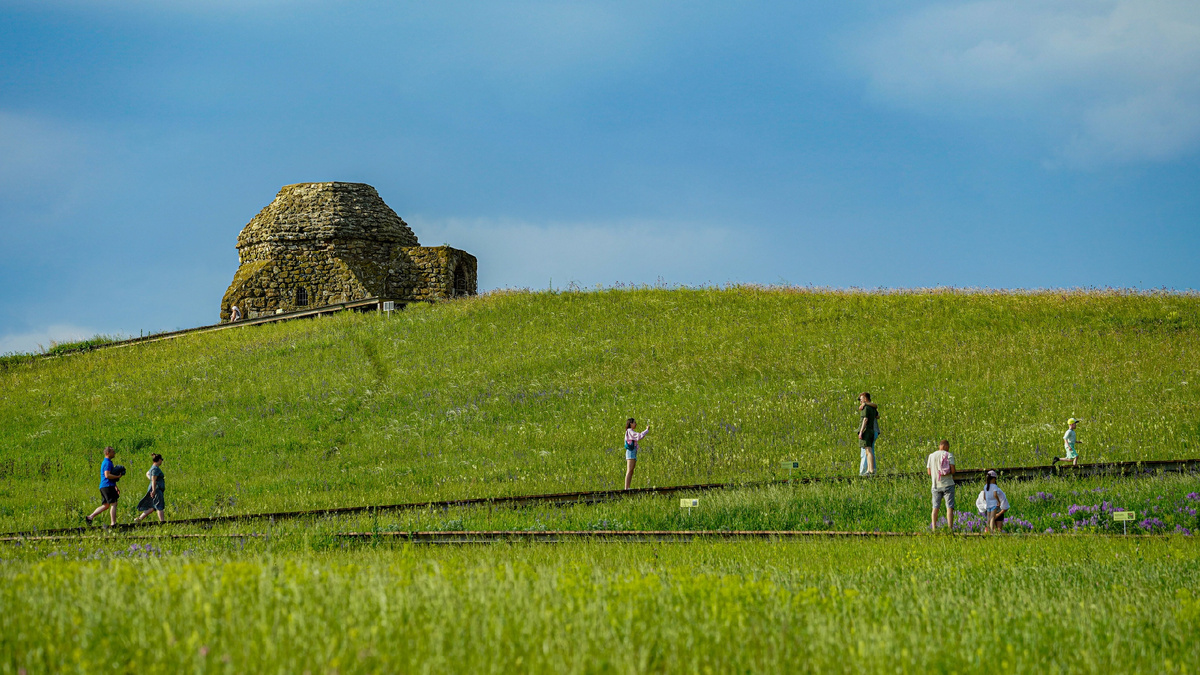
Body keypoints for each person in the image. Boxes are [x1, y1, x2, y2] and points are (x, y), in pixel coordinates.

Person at [86, 446, 123, 527]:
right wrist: (117, 477)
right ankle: (113, 523)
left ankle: (90, 517)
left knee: (106, 505)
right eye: (112, 452)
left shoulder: (107, 462)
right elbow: (107, 475)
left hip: (105, 486)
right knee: (114, 503)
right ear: (107, 453)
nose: (114, 453)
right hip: (107, 485)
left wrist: (115, 486)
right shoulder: (107, 463)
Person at [926, 440, 956, 532]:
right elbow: (953, 470)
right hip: (948, 484)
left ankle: (934, 528)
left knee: (935, 507)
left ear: (940, 446)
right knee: (949, 507)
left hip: (935, 485)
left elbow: (929, 472)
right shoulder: (949, 455)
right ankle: (950, 529)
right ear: (946, 446)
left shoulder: (931, 456)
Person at [134, 453, 166, 523]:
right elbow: (154, 480)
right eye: (161, 460)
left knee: (152, 507)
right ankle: (162, 522)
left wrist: (151, 480)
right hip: (156, 489)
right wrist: (154, 490)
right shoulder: (155, 469)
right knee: (159, 505)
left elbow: (148, 473)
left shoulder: (153, 468)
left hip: (155, 488)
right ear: (159, 460)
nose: (162, 461)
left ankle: (139, 519)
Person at [624, 418, 650, 490]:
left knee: (631, 470)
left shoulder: (630, 432)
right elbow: (638, 436)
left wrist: (645, 432)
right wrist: (646, 430)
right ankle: (626, 488)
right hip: (630, 452)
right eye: (634, 423)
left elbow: (639, 437)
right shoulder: (630, 431)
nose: (636, 424)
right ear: (630, 424)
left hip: (633, 452)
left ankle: (628, 487)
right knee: (629, 470)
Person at [857, 392, 879, 476]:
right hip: (872, 431)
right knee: (869, 451)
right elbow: (877, 416)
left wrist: (861, 431)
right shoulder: (872, 408)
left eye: (861, 399)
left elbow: (865, 419)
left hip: (867, 431)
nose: (860, 401)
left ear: (865, 399)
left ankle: (870, 470)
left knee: (868, 451)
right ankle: (871, 470)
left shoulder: (865, 407)